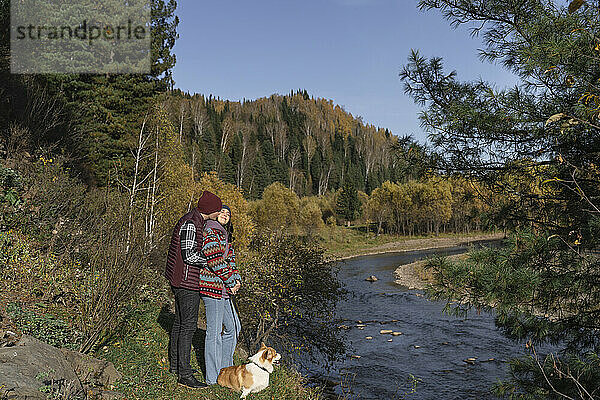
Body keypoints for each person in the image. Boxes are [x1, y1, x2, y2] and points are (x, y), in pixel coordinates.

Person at [165, 190, 222, 389]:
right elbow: (188, 255)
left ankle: (176, 366)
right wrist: (210, 262)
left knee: (180, 323)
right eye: (217, 209)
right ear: (210, 210)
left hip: (181, 279)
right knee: (188, 326)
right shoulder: (191, 223)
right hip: (186, 280)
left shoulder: (192, 220)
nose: (219, 212)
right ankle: (185, 375)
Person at [200, 205, 242, 386]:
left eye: (228, 213)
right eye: (222, 212)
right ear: (216, 215)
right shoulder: (210, 231)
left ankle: (226, 370)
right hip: (212, 287)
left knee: (234, 328)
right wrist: (231, 281)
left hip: (224, 289)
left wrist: (237, 279)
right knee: (214, 333)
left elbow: (231, 262)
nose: (225, 215)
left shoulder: (225, 235)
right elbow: (214, 260)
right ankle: (212, 378)